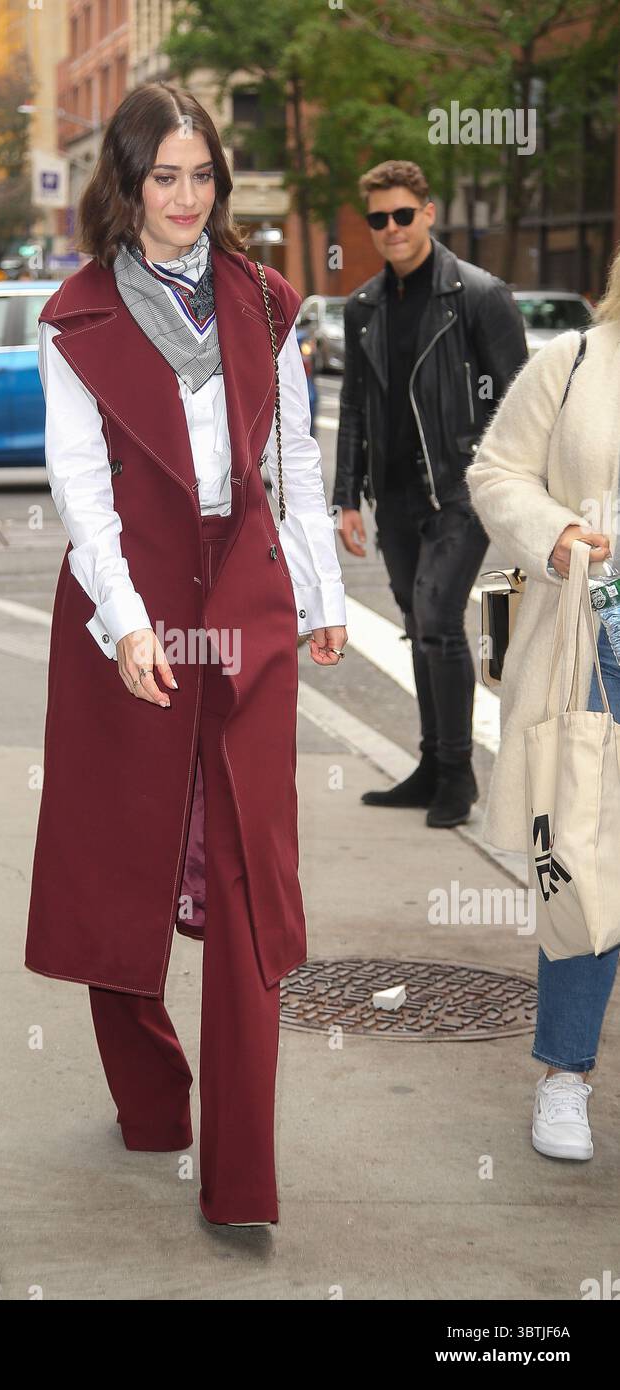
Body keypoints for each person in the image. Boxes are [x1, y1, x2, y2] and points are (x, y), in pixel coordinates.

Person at [24, 81, 348, 1227]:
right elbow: (79, 484)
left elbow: (294, 459)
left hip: (249, 597)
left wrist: (321, 590)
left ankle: (242, 1178)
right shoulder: (75, 318)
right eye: (163, 176)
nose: (185, 196)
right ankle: (152, 1097)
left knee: (252, 877)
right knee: (122, 864)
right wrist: (120, 620)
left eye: (201, 175)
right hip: (135, 597)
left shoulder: (264, 298)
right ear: (124, 182)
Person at [466, 241, 620, 1163]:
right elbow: (495, 472)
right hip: (594, 651)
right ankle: (565, 1078)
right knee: (585, 865)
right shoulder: (574, 364)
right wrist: (557, 533)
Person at [332, 159, 528, 827]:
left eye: (402, 215)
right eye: (378, 219)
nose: (391, 229)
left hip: (458, 494)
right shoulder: (363, 307)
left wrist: (504, 489)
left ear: (429, 213)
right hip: (394, 500)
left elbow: (518, 400)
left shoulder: (478, 295)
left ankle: (458, 775)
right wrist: (347, 498)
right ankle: (430, 763)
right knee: (419, 626)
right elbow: (354, 406)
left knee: (441, 622)